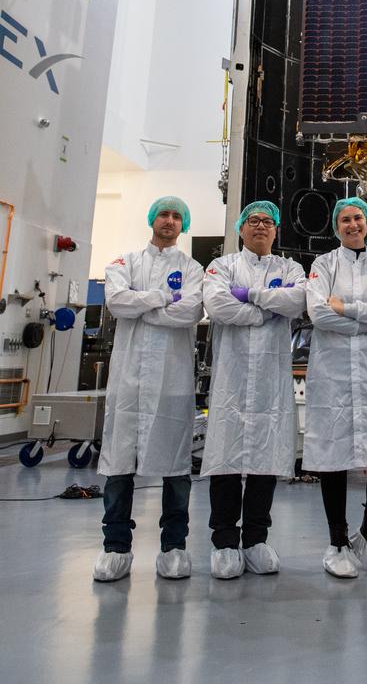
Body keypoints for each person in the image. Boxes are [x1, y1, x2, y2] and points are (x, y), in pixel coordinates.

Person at [92, 196, 203, 582]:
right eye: (163, 214)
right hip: (128, 381)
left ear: (183, 224)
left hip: (172, 381)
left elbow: (190, 311)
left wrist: (142, 304)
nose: (169, 221)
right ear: (152, 219)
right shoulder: (124, 262)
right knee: (119, 465)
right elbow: (117, 303)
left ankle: (174, 546)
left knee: (176, 467)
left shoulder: (192, 268)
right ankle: (115, 548)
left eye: (176, 216)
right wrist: (162, 298)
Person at [201, 200, 306, 579]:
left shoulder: (291, 268)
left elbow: (297, 301)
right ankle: (225, 541)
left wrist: (248, 295)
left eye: (267, 221)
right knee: (226, 458)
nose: (260, 226)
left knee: (266, 457)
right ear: (241, 229)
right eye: (253, 220)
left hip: (270, 381)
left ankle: (256, 539)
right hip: (231, 380)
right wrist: (267, 310)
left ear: (276, 230)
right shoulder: (222, 266)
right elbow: (217, 305)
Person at [303, 197, 367, 578]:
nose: (352, 224)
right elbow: (318, 313)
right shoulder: (323, 265)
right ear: (337, 227)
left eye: (358, 218)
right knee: (334, 454)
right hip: (332, 373)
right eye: (345, 219)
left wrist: (346, 308)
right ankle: (338, 542)